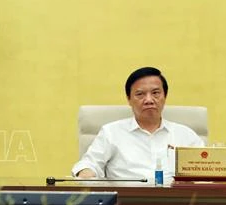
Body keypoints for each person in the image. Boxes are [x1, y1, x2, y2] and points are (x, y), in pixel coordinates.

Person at [72, 67, 203, 181]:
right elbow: (89, 164)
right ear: (129, 99)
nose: (149, 100)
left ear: (165, 96)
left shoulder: (186, 136)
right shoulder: (111, 133)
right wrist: (86, 173)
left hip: (177, 204)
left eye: (155, 93)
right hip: (124, 204)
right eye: (140, 94)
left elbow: (206, 172)